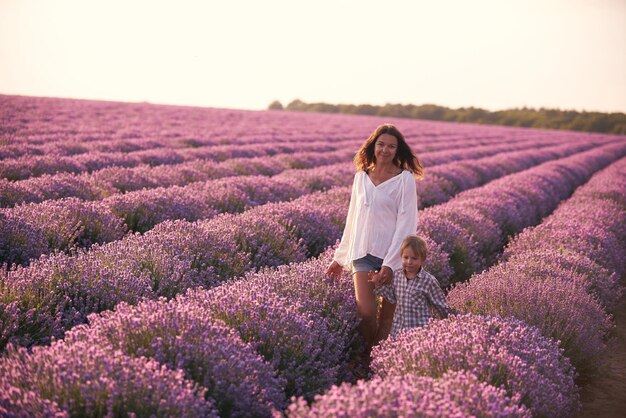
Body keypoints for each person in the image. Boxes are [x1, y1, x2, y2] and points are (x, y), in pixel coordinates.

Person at [326, 123, 423, 350]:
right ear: (373, 146)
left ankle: (375, 362)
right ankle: (370, 353)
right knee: (366, 313)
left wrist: (391, 264)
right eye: (381, 145)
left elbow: (407, 223)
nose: (385, 150)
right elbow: (352, 220)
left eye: (391, 146)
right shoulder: (361, 177)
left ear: (398, 150)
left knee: (387, 318)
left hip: (393, 257)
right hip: (363, 254)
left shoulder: (404, 180)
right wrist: (339, 258)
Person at [369, 234, 455, 337]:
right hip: (398, 332)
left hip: (420, 333)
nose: (409, 262)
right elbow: (392, 297)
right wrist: (377, 284)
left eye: (414, 258)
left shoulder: (428, 281)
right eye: (406, 257)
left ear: (422, 259)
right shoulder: (397, 276)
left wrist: (454, 323)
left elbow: (441, 306)